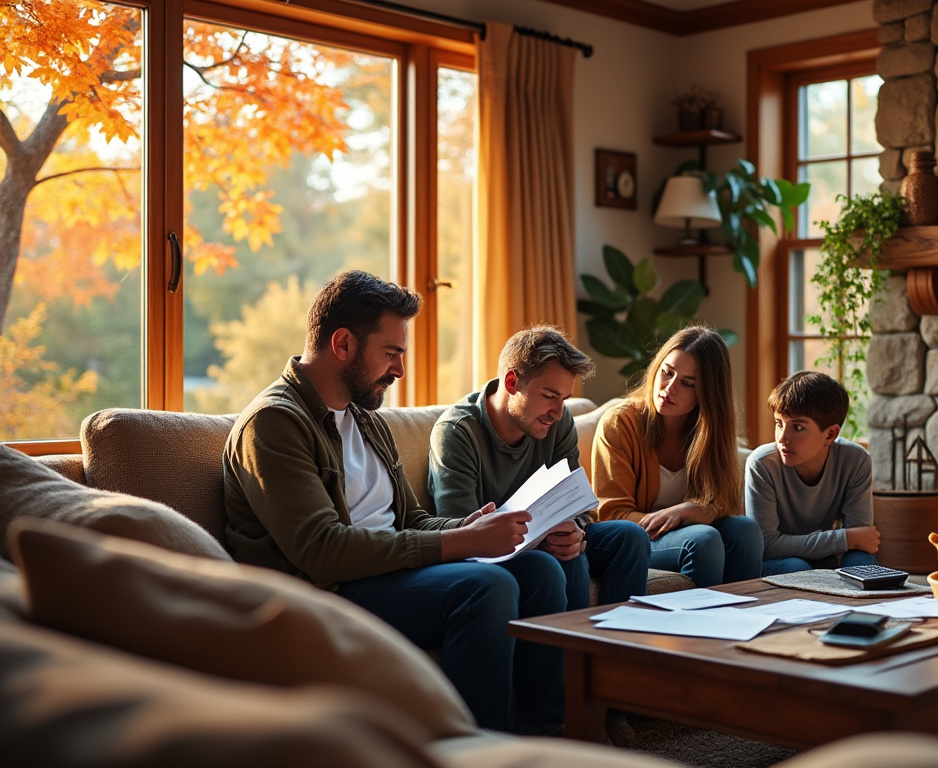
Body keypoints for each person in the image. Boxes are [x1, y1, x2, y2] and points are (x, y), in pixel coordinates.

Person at [222, 270, 565, 734]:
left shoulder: (365, 419)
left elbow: (411, 519)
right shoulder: (274, 424)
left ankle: (543, 733)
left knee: (539, 569)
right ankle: (479, 750)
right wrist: (460, 544)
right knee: (486, 587)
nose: (400, 370)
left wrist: (473, 528)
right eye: (391, 353)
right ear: (343, 344)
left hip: (384, 575)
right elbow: (322, 551)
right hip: (322, 594)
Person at [427, 325, 650, 610]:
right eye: (549, 395)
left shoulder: (558, 421)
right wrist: (539, 541)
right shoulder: (456, 432)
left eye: (564, 399)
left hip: (545, 538)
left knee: (630, 537)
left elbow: (576, 504)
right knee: (558, 560)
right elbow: (461, 531)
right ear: (511, 382)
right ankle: (571, 639)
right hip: (491, 553)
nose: (557, 412)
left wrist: (575, 532)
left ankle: (620, 636)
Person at [590, 325, 763, 588]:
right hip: (637, 538)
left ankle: (743, 611)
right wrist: (681, 516)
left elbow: (724, 502)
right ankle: (693, 615)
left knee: (746, 531)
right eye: (667, 372)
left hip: (686, 531)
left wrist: (694, 510)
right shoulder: (619, 423)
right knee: (703, 540)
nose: (669, 388)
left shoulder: (710, 431)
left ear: (707, 392)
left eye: (687, 383)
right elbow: (612, 514)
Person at [745, 371, 879, 575]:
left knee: (862, 562)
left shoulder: (855, 460)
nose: (782, 438)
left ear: (830, 434)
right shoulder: (762, 464)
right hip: (779, 561)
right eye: (779, 424)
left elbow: (863, 538)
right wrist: (845, 539)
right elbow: (766, 545)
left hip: (826, 555)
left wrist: (851, 540)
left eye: (797, 427)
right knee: (797, 568)